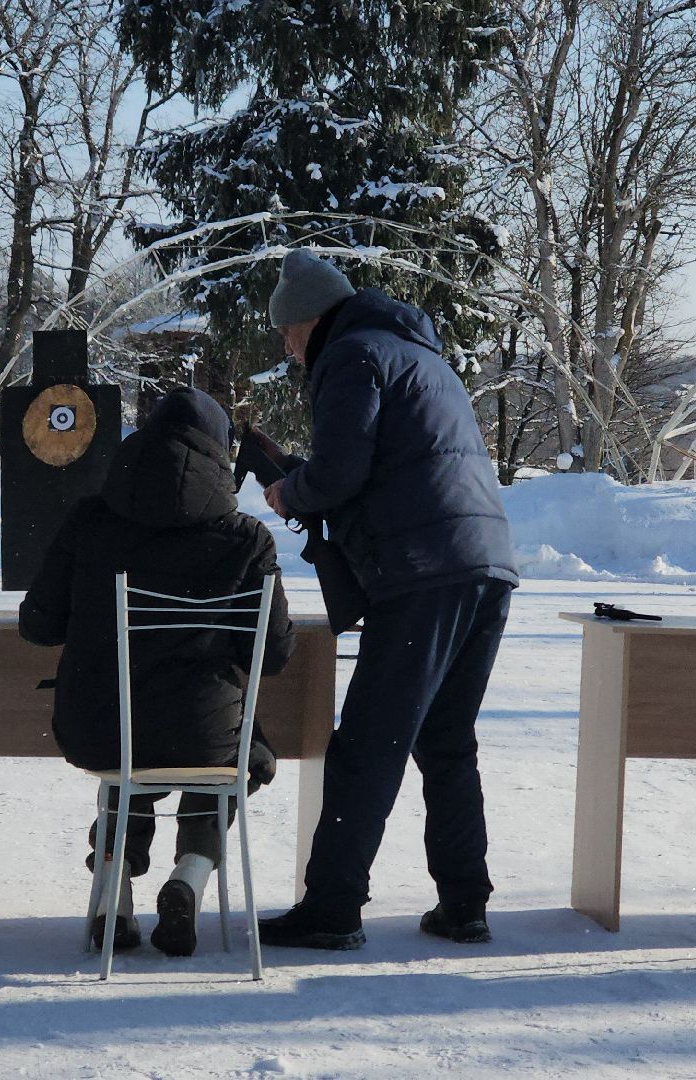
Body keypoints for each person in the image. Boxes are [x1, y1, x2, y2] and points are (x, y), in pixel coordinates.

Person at [255, 249, 519, 949]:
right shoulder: (421, 357)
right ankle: (464, 902)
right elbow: (394, 461)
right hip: (486, 562)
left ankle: (332, 907)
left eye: (288, 333)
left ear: (311, 319)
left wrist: (291, 490)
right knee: (445, 739)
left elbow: (342, 470)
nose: (287, 348)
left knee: (368, 745)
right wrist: (307, 478)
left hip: (424, 569)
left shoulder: (353, 355)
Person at [19, 387, 296, 956]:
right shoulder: (246, 539)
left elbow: (39, 625)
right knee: (235, 747)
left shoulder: (90, 520)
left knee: (128, 743)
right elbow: (272, 656)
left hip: (98, 726)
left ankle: (113, 890)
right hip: (202, 731)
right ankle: (190, 874)